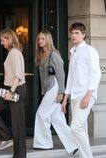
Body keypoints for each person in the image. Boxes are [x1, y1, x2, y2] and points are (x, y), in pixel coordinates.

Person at [33, 30, 78, 155]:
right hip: (49, 88)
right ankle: (74, 144)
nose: (40, 41)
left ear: (48, 39)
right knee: (57, 118)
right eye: (39, 39)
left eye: (43, 38)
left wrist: (61, 93)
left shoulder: (54, 54)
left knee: (41, 114)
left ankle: (44, 143)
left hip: (54, 87)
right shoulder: (42, 54)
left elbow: (61, 74)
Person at [61, 22, 101, 158]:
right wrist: (65, 98)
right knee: (81, 128)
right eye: (72, 33)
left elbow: (96, 74)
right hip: (74, 96)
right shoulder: (73, 52)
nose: (73, 35)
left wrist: (88, 95)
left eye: (77, 33)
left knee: (75, 127)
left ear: (84, 35)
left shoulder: (89, 50)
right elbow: (71, 77)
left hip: (86, 95)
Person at [0, 28, 27, 158]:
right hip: (8, 88)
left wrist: (11, 91)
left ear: (9, 39)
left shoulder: (15, 53)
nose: (2, 42)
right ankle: (6, 137)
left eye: (3, 40)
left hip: (16, 89)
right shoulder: (11, 53)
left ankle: (20, 156)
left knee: (17, 123)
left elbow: (18, 75)